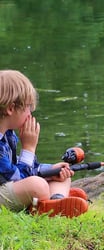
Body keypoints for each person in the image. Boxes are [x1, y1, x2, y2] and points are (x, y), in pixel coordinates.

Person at [0, 69, 88, 217]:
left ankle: (55, 201)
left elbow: (23, 169)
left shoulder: (8, 135)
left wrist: (50, 171)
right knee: (37, 185)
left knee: (61, 173)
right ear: (10, 109)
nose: (30, 113)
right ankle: (49, 202)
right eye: (28, 107)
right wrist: (29, 148)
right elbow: (15, 178)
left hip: (10, 186)